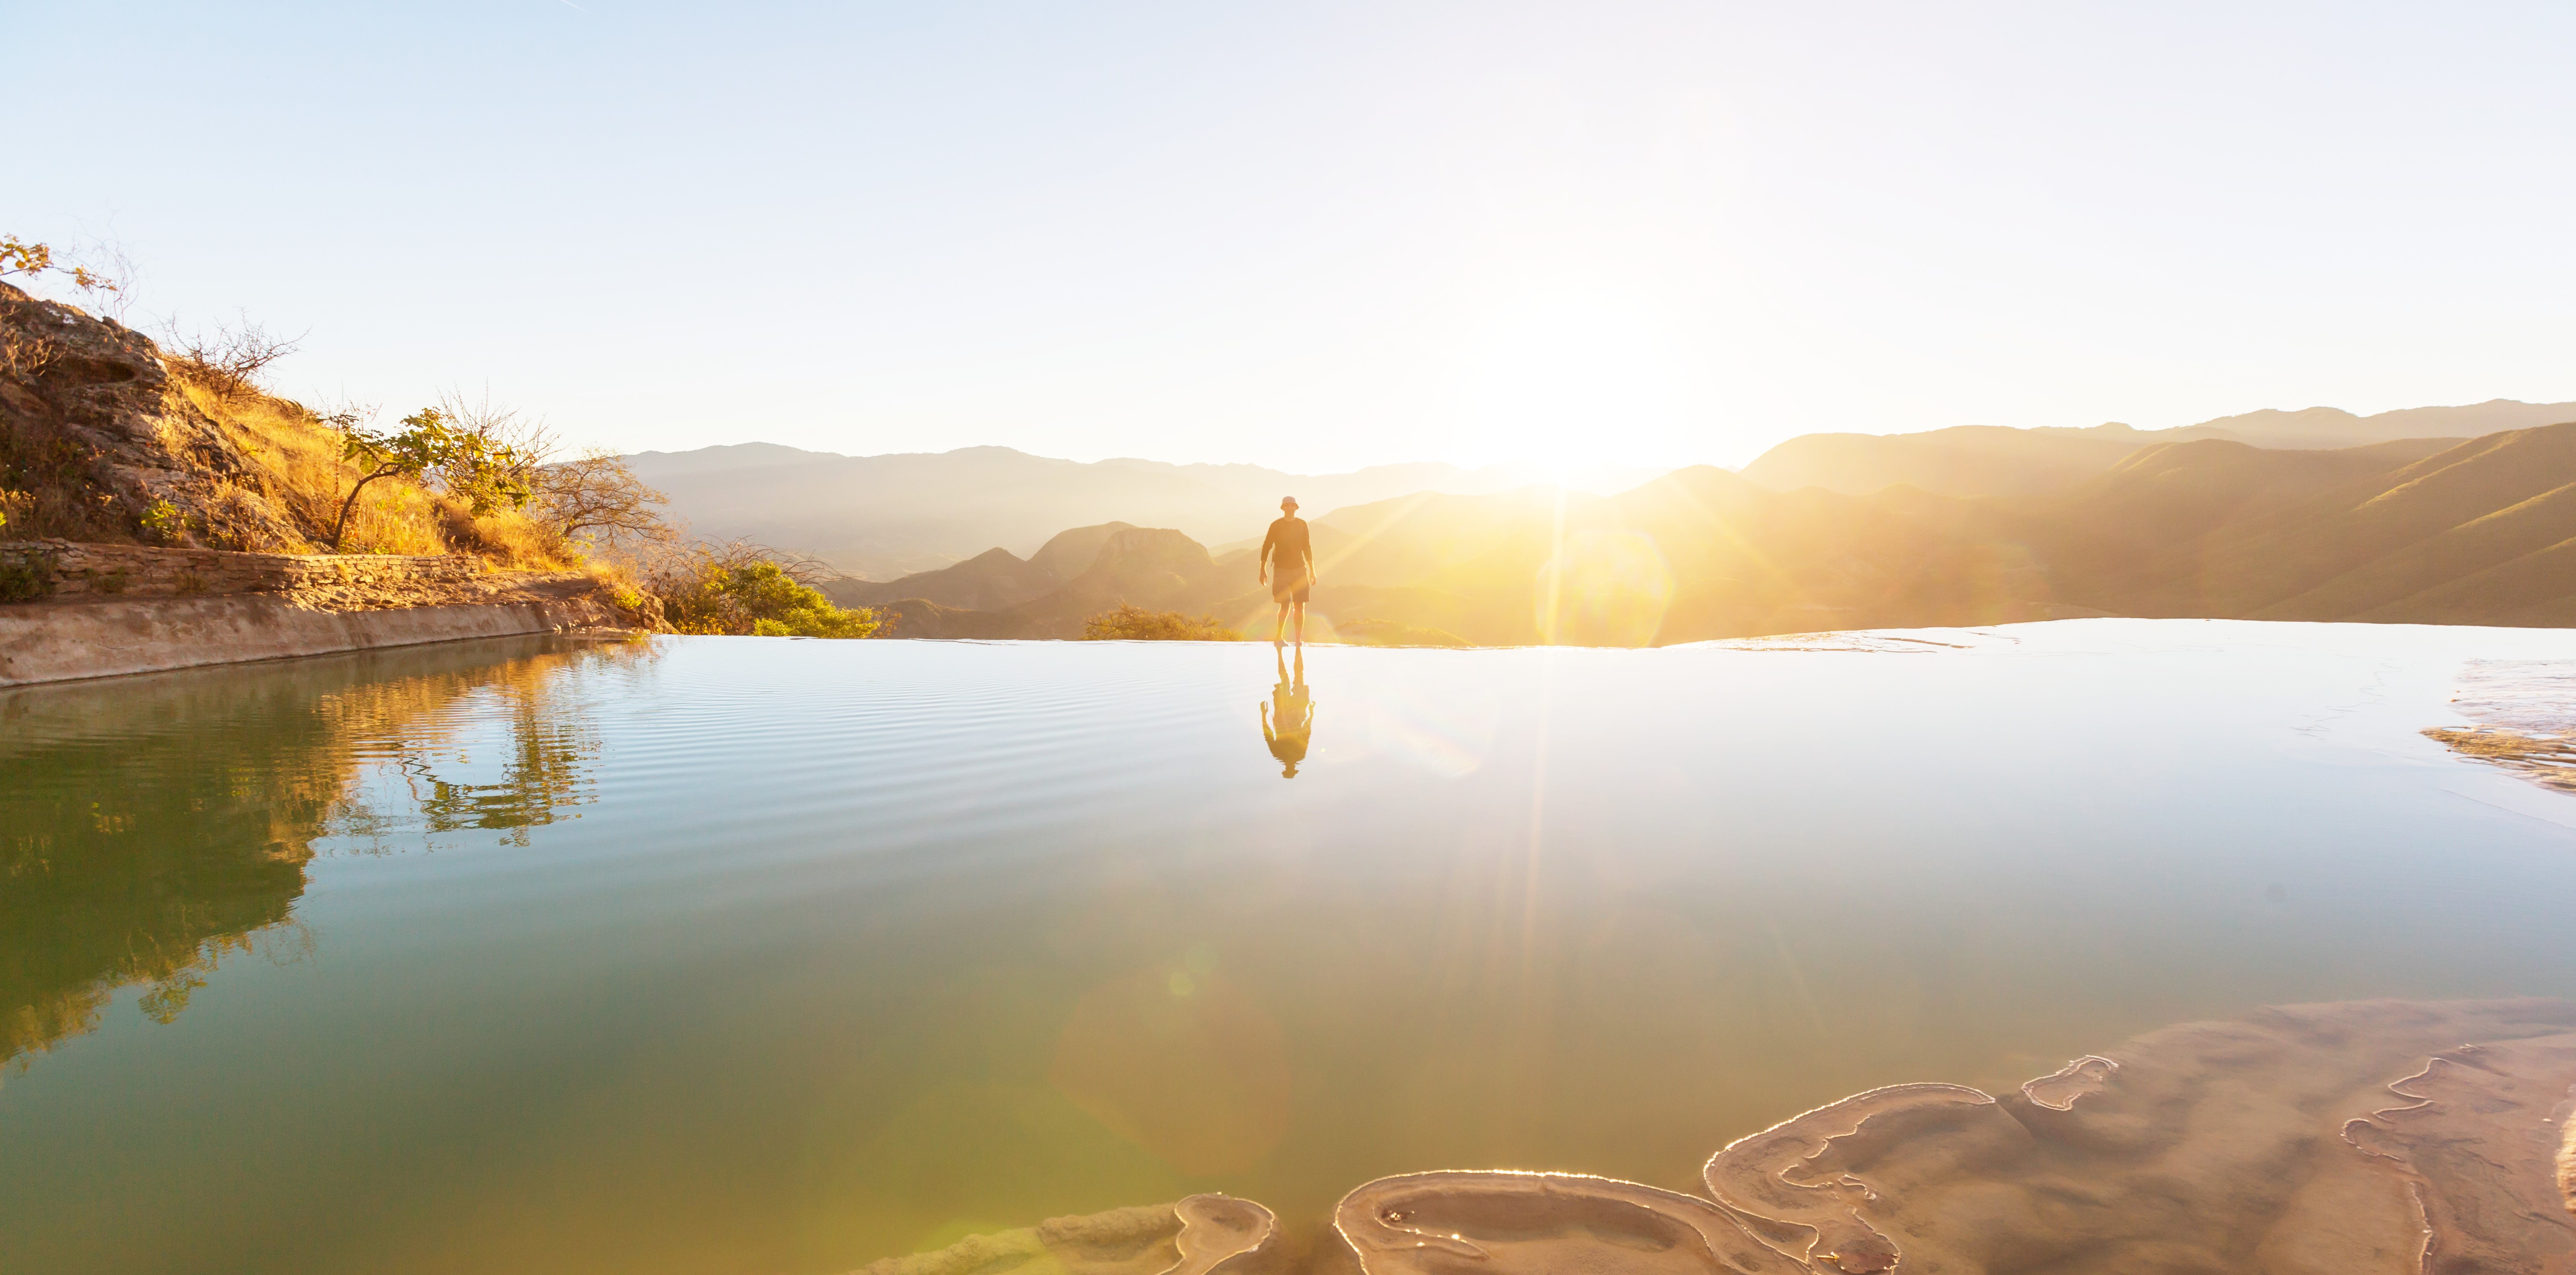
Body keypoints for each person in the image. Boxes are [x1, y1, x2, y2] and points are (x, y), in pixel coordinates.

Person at [1257, 496, 1314, 649]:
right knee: (1284, 604)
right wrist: (1262, 570)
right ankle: (1279, 638)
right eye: (1287, 506)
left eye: (1292, 506)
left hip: (1300, 569)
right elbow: (1267, 546)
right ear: (1283, 508)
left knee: (1300, 605)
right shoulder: (1276, 525)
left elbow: (1307, 547)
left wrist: (1312, 571)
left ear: (1296, 508)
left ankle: (1298, 640)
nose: (1290, 508)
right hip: (1281, 570)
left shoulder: (1302, 525)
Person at [1260, 647, 1312, 778]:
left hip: (1287, 715)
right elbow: (1306, 733)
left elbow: (1269, 735)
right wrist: (1311, 714)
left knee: (1291, 679)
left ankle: (1282, 653)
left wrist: (1264, 714)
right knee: (1294, 679)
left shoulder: (1281, 754)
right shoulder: (1296, 755)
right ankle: (1291, 651)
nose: (1291, 766)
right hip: (1293, 715)